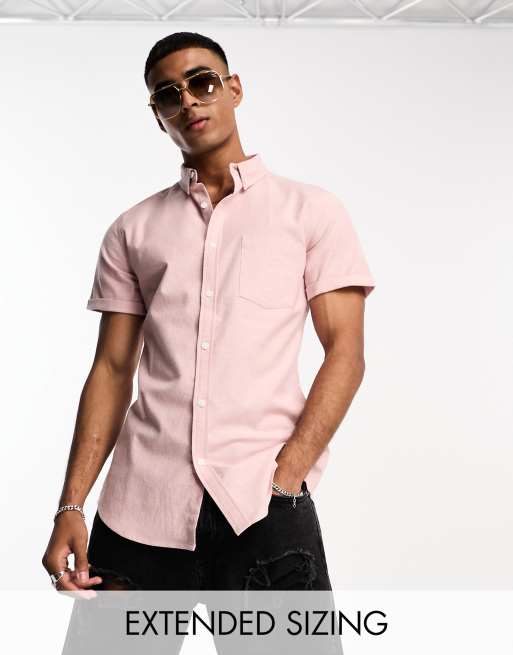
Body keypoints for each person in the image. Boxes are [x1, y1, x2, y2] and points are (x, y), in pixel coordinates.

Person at [42, 31, 376, 594]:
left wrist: (289, 473)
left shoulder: (311, 212)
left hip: (263, 505)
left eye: (202, 82)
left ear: (233, 89)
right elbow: (112, 369)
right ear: (158, 116)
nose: (189, 101)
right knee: (108, 643)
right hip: (138, 509)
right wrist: (71, 505)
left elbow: (346, 353)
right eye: (168, 94)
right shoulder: (132, 230)